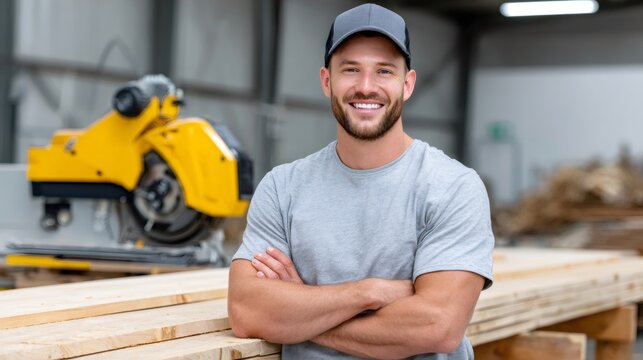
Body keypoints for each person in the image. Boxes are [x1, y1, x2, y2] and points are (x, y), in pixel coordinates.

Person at [227, 3, 494, 359]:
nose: (366, 87)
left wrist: (303, 311)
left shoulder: (452, 187)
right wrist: (368, 293)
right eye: (350, 69)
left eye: (384, 71)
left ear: (407, 84)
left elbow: (437, 326)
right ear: (327, 81)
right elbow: (248, 311)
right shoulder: (282, 188)